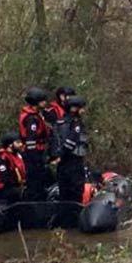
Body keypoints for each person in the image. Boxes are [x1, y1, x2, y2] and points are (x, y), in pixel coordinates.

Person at [51, 96, 89, 226]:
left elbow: (54, 142)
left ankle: (64, 222)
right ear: (74, 109)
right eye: (81, 108)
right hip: (73, 161)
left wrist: (56, 156)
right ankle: (74, 220)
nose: (83, 110)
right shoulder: (76, 123)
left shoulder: (59, 122)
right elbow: (71, 141)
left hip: (62, 163)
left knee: (64, 192)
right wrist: (62, 154)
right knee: (75, 190)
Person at [19, 86, 51, 201]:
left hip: (38, 152)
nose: (45, 103)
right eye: (42, 101)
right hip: (33, 155)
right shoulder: (31, 119)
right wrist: (34, 157)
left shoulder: (37, 115)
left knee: (41, 179)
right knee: (34, 180)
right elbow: (30, 140)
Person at [0, 132, 26, 204]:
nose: (21, 144)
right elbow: (5, 179)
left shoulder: (17, 156)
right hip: (2, 190)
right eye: (18, 142)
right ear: (10, 145)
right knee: (25, 194)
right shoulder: (1, 158)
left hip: (14, 187)